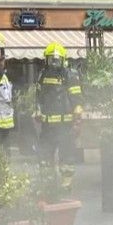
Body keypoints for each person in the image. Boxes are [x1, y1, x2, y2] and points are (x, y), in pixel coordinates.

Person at [35, 43, 83, 192]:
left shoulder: (70, 74)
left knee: (67, 157)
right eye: (51, 59)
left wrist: (77, 112)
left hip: (65, 125)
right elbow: (39, 96)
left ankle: (66, 184)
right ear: (46, 60)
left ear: (63, 60)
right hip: (47, 125)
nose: (54, 63)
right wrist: (37, 110)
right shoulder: (42, 74)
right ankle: (47, 184)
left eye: (57, 60)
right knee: (44, 155)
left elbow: (76, 97)